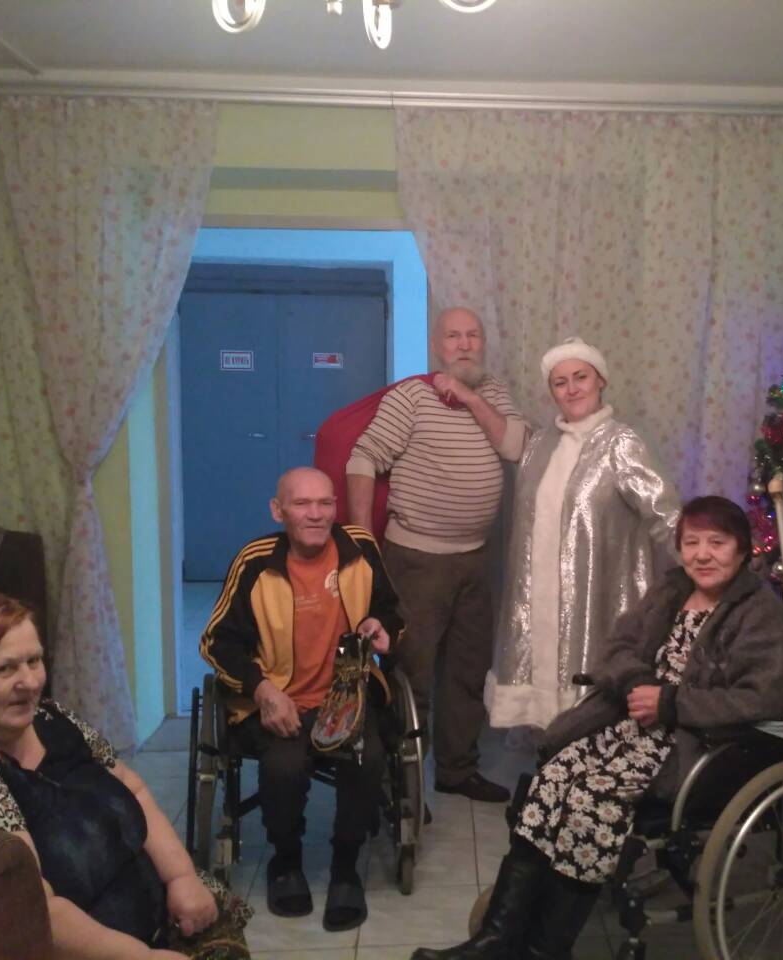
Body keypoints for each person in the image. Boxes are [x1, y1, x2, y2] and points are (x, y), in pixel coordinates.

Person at [413, 495, 783, 960]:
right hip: (627, 729)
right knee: (551, 780)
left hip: (691, 746)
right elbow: (617, 649)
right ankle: (497, 938)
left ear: (742, 549)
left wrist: (671, 702)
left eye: (717, 542)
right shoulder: (671, 590)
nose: (703, 554)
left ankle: (545, 950)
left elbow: (762, 697)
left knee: (591, 800)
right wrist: (635, 682)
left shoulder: (757, 610)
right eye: (691, 542)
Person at [0, 591, 251, 960]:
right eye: (4, 669)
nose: (30, 682)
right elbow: (34, 907)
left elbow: (134, 789)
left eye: (34, 661)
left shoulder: (49, 717)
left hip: (156, 914)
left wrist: (181, 877)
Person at [200, 467, 402, 927]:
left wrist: (382, 627)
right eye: (302, 504)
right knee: (284, 767)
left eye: (325, 503)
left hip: (347, 696)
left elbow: (390, 610)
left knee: (367, 757)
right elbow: (217, 642)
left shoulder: (359, 548)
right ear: (278, 511)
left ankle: (346, 867)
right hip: (279, 699)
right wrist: (263, 691)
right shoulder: (255, 562)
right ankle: (286, 862)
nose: (316, 514)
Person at [346, 306, 526, 804]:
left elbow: (515, 447)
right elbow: (363, 458)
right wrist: (362, 541)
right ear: (435, 346)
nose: (464, 344)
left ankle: (456, 769)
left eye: (473, 335)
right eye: (453, 336)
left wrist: (468, 397)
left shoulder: (494, 395)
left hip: (476, 558)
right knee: (412, 673)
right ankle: (401, 786)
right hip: (416, 560)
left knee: (468, 670)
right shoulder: (410, 397)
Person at [485, 337, 680, 732]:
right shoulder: (539, 446)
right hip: (535, 603)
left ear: (600, 381)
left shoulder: (620, 443)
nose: (572, 389)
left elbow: (666, 513)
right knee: (541, 720)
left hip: (595, 601)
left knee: (589, 717)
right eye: (560, 382)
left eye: (581, 377)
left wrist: (701, 563)